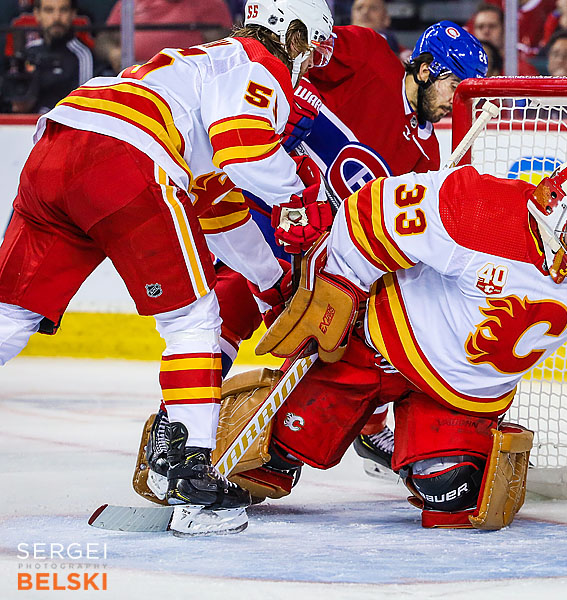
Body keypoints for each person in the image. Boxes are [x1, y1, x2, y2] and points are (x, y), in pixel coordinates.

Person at [229, 156, 567, 528]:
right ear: (550, 206)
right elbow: (369, 213)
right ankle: (209, 439)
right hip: (378, 349)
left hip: (462, 400)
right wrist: (338, 285)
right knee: (269, 459)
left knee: (455, 496)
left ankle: (410, 448)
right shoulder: (474, 207)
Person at [0, 0, 335, 533]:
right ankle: (191, 481)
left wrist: (273, 285)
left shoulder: (192, 66)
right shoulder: (252, 65)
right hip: (124, 157)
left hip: (57, 145)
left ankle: (179, 467)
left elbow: (219, 212)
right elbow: (244, 152)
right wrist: (303, 196)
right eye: (309, 45)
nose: (308, 62)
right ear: (290, 33)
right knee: (194, 319)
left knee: (11, 318)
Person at [142, 21, 488, 483]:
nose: (454, 100)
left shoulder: (425, 156)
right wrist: (288, 103)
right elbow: (299, 49)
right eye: (453, 84)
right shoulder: (368, 55)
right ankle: (175, 423)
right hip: (264, 198)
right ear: (425, 69)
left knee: (345, 329)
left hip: (313, 244)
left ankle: (350, 430)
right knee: (232, 305)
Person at [8, 0, 95, 113]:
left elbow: (85, 108)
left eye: (63, 10)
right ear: (37, 14)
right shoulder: (29, 52)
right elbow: (15, 105)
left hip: (62, 126)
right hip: (26, 126)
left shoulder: (82, 55)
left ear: (73, 14)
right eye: (49, 10)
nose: (56, 17)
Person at [95, 0, 234, 70]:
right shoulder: (132, 2)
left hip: (188, 81)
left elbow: (223, 50)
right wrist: (112, 53)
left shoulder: (208, 4)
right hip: (135, 77)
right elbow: (104, 38)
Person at [469, 2, 539, 76]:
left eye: (492, 26)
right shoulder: (465, 67)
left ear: (505, 30)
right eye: (480, 27)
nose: (486, 32)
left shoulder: (521, 70)